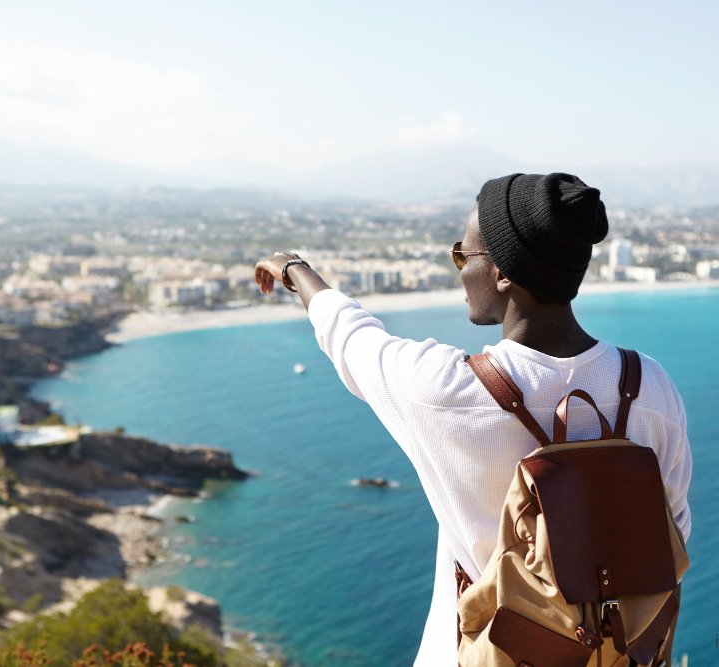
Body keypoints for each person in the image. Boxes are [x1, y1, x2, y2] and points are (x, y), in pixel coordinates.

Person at [254, 172, 693, 666]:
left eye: (463, 255)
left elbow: (351, 337)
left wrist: (294, 268)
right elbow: (674, 531)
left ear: (502, 273)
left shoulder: (445, 390)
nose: (459, 269)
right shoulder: (651, 386)